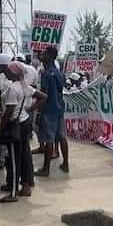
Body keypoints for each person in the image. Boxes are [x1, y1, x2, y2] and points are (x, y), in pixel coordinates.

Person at [0, 62, 46, 202]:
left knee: (13, 159)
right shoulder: (26, 87)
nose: (6, 72)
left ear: (13, 72)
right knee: (24, 156)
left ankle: (13, 193)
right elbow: (43, 97)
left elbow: (9, 112)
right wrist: (30, 109)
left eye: (8, 70)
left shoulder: (13, 88)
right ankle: (25, 185)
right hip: (24, 122)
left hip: (14, 125)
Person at [36, 46, 69, 177]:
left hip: (49, 109)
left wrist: (37, 110)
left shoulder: (45, 73)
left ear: (50, 56)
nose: (41, 56)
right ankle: (66, 164)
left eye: (43, 54)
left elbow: (44, 95)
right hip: (59, 108)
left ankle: (46, 169)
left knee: (49, 139)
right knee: (62, 137)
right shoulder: (59, 73)